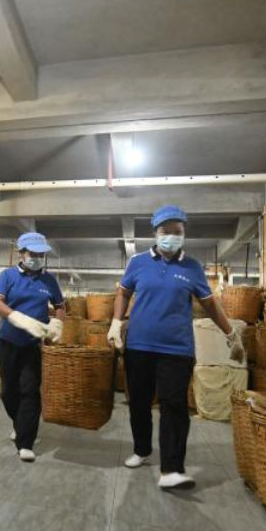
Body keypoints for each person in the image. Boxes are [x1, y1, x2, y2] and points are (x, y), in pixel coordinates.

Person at [107, 205, 244, 489]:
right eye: (165, 231)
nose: (171, 236)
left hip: (177, 349)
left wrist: (231, 334)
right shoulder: (138, 262)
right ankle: (142, 450)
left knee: (174, 405)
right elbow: (123, 292)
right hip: (140, 346)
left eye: (177, 231)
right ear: (155, 233)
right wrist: (115, 322)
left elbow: (209, 304)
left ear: (184, 233)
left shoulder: (192, 267)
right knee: (140, 403)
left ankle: (171, 468)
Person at [0, 232, 65, 462]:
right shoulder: (9, 276)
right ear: (21, 253)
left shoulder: (49, 280)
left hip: (32, 344)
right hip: (9, 340)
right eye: (33, 253)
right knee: (9, 391)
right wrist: (18, 318)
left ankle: (26, 442)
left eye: (41, 254)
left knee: (30, 390)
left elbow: (60, 305)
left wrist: (58, 322)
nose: (37, 257)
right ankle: (20, 424)